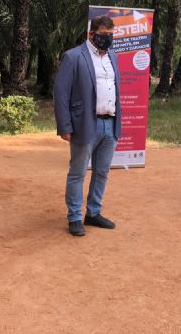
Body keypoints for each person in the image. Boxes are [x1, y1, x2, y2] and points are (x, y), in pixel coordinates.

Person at [53, 15, 121, 236]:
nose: (108, 39)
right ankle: (74, 216)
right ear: (91, 34)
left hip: (110, 123)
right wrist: (65, 126)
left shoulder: (113, 57)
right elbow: (61, 93)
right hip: (85, 124)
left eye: (111, 35)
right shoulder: (74, 56)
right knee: (78, 173)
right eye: (104, 35)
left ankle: (93, 212)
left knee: (102, 172)